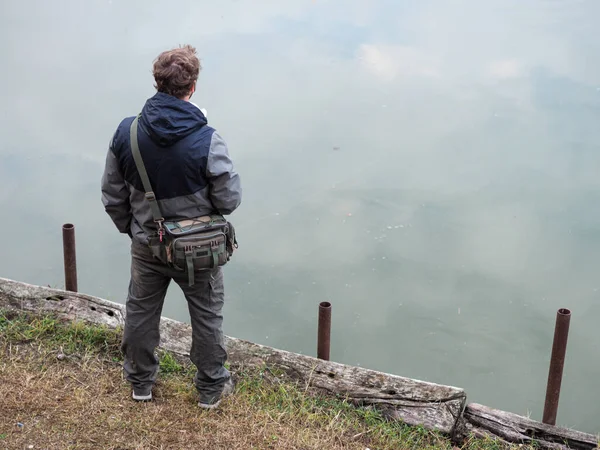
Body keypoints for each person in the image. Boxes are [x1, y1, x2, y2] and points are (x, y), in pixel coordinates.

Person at [100, 44, 242, 409]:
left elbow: (112, 195)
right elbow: (228, 200)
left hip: (147, 243)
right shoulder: (208, 139)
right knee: (207, 316)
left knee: (141, 311)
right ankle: (211, 389)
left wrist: (135, 230)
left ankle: (141, 384)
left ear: (157, 83)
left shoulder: (126, 133)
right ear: (191, 87)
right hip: (200, 250)